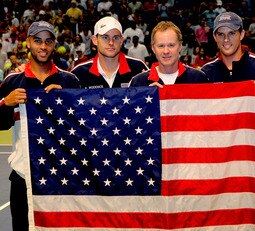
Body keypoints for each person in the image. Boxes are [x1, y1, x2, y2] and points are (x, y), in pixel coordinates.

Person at [0, 21, 80, 231]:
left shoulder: (69, 81)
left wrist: (66, 99)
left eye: (48, 41)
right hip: (23, 178)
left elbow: (83, 130)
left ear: (54, 45)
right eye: (37, 41)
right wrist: (6, 103)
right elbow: (1, 125)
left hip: (62, 178)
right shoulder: (12, 81)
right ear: (28, 43)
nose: (43, 47)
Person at [201, 12, 255, 90]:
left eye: (232, 33)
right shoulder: (206, 72)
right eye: (221, 34)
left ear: (242, 34)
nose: (226, 39)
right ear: (215, 37)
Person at [70, 16, 149, 89]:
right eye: (105, 37)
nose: (111, 42)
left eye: (115, 37)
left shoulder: (139, 68)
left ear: (121, 41)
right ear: (95, 40)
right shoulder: (79, 73)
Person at [129, 21, 208, 87]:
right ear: (153, 48)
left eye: (171, 45)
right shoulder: (138, 82)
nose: (166, 51)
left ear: (180, 46)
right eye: (161, 46)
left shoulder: (198, 78)